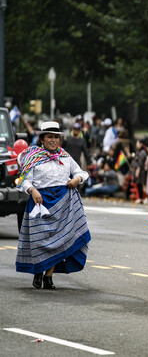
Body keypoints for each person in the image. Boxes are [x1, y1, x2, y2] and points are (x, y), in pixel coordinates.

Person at [15, 121, 91, 289]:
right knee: (40, 240)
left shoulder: (65, 156)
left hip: (62, 203)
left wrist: (76, 180)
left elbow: (81, 172)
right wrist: (33, 190)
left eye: (56, 137)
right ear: (42, 139)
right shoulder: (33, 157)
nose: (53, 140)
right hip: (39, 202)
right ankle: (38, 272)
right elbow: (24, 180)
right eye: (50, 137)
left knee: (58, 241)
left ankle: (49, 277)